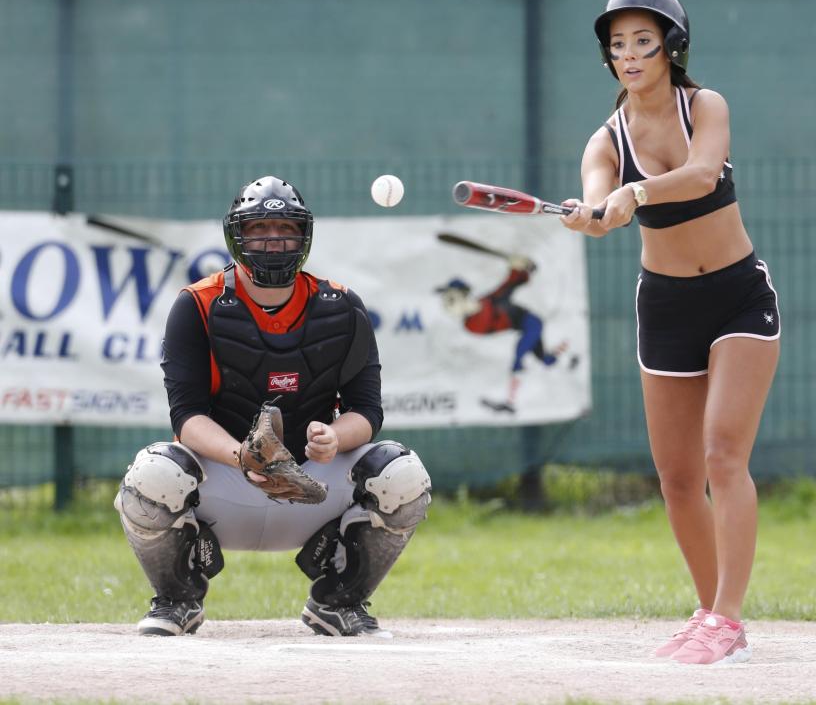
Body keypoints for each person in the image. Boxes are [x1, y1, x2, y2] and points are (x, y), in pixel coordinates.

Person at [560, 0, 780, 665]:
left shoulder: (703, 105)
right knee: (678, 477)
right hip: (664, 305)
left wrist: (637, 192)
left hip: (738, 298)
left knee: (722, 455)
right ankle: (713, 613)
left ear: (671, 46)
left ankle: (729, 615)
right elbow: (603, 202)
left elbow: (704, 172)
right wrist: (595, 212)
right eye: (617, 43)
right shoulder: (606, 140)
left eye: (642, 41)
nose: (629, 54)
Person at [114, 175, 431, 637]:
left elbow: (368, 412)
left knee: (402, 473)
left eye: (284, 229)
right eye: (259, 229)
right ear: (235, 237)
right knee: (152, 473)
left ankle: (339, 601)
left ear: (304, 237)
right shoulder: (197, 305)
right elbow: (186, 417)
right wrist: (243, 455)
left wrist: (334, 438)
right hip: (226, 485)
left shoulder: (341, 306)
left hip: (313, 489)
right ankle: (177, 600)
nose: (273, 241)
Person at [434, 254, 572, 413]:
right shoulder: (473, 322)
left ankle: (511, 402)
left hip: (532, 323)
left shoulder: (489, 301)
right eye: (447, 300)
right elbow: (485, 319)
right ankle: (570, 360)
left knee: (519, 355)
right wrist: (517, 269)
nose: (447, 304)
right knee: (544, 358)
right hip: (527, 326)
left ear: (463, 295)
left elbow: (510, 284)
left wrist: (518, 269)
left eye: (451, 298)